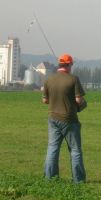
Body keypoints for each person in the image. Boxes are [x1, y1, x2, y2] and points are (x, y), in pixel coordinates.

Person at [42, 53, 86, 183]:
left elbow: (44, 100)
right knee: (75, 150)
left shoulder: (49, 80)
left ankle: (50, 179)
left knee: (52, 148)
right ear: (69, 65)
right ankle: (78, 181)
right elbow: (79, 100)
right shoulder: (73, 79)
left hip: (53, 118)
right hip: (69, 120)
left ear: (59, 64)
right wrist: (82, 104)